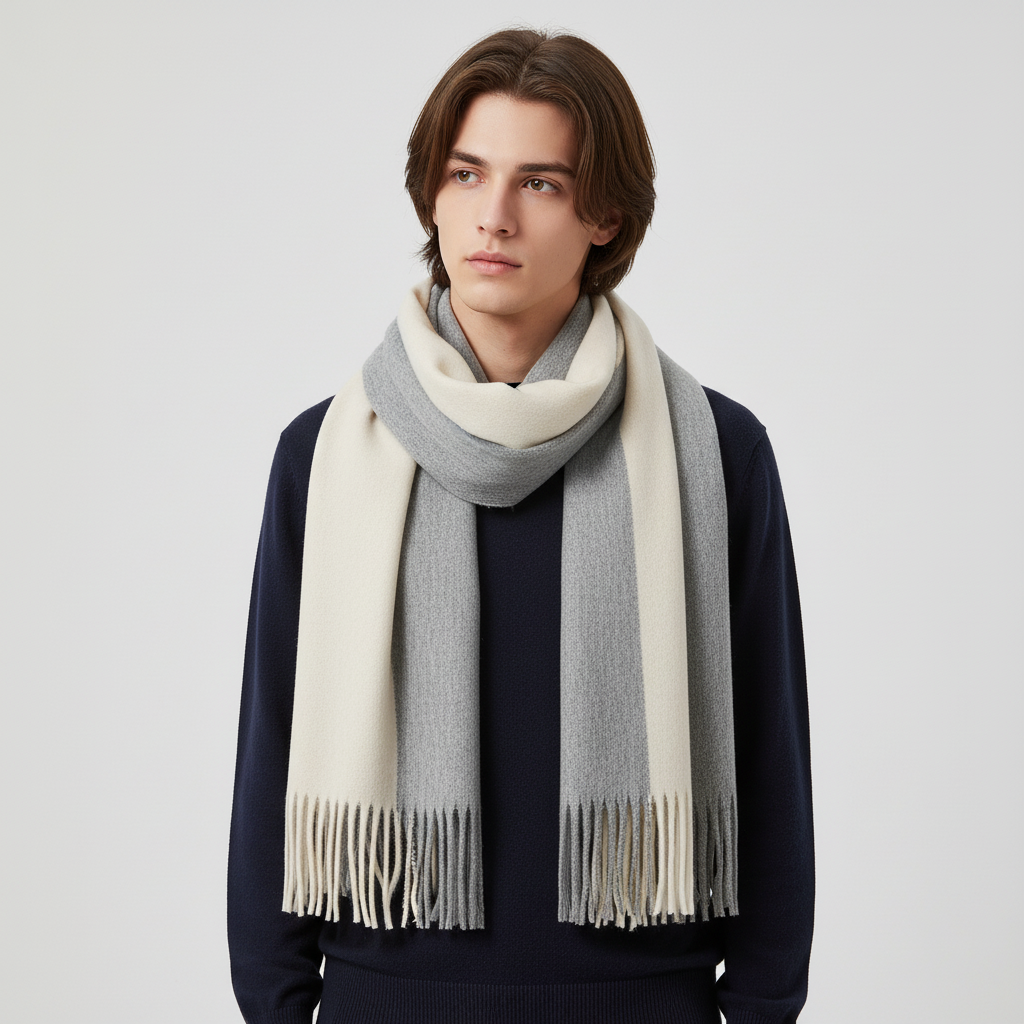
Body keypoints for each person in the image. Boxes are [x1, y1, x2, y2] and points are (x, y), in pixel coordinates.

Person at [228, 26, 814, 1024]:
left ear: (606, 215)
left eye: (540, 183)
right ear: (431, 193)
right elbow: (271, 743)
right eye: (466, 173)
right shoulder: (326, 453)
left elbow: (771, 759)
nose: (492, 216)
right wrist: (278, 1005)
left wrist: (759, 1010)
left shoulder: (715, 453)